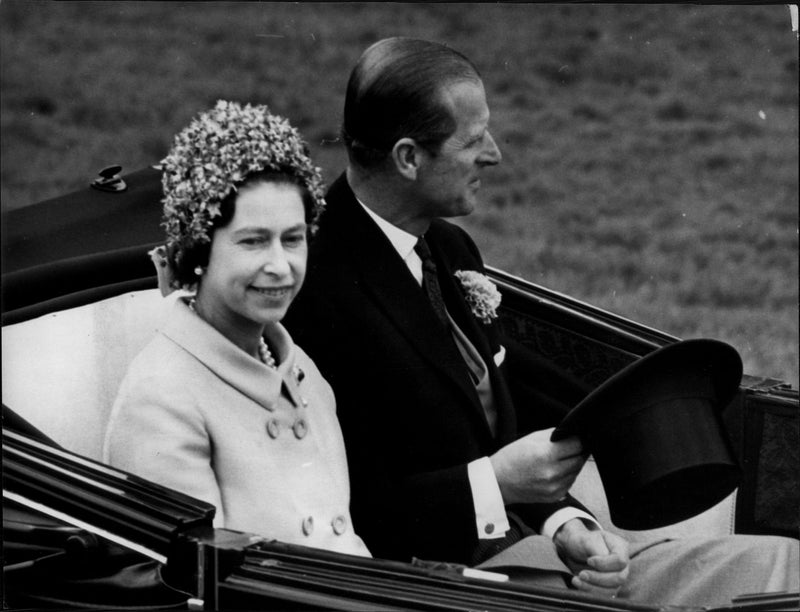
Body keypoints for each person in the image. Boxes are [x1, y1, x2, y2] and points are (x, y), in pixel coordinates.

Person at [283, 37, 798, 605]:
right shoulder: (308, 285)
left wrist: (568, 526)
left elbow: (496, 427)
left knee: (787, 567)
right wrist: (497, 485)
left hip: (539, 561)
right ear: (408, 158)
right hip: (440, 590)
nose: (496, 154)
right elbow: (330, 509)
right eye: (474, 140)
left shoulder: (450, 249)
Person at [103, 100, 369, 557]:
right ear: (200, 249)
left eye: (293, 238)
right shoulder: (161, 399)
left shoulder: (300, 368)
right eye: (252, 241)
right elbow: (199, 584)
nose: (280, 266)